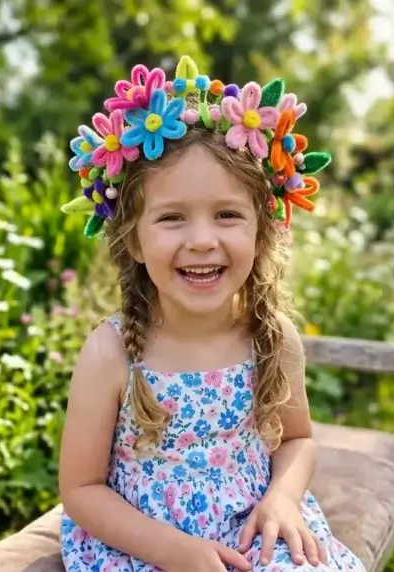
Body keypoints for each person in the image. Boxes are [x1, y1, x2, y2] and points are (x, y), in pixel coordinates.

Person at [56, 55, 362, 571]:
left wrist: (281, 499)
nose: (202, 240)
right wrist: (175, 551)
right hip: (144, 544)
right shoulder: (111, 352)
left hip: (252, 528)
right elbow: (81, 490)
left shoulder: (271, 336)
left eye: (227, 214)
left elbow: (298, 440)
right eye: (172, 218)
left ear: (261, 232)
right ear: (133, 240)